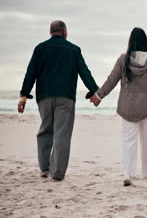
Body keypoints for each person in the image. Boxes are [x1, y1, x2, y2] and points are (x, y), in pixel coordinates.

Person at [89, 27, 147, 186]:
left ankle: (128, 173)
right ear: (145, 42)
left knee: (129, 141)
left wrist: (99, 96)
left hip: (128, 106)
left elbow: (111, 80)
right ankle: (146, 172)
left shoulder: (123, 60)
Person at [18, 20, 99, 181]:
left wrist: (23, 96)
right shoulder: (74, 50)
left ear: (50, 32)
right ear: (65, 32)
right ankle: (57, 174)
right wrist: (94, 91)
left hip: (44, 98)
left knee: (45, 131)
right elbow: (84, 72)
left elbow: (30, 73)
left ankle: (44, 168)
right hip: (66, 98)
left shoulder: (40, 49)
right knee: (62, 134)